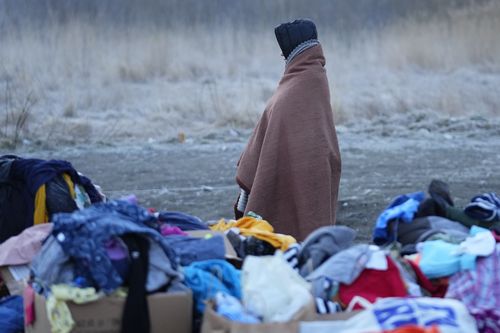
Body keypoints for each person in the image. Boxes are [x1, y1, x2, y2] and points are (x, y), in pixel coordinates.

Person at [234, 19, 341, 241]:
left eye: (284, 54)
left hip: (305, 169)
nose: (283, 59)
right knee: (309, 230)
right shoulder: (311, 77)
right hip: (315, 170)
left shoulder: (300, 84)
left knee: (289, 232)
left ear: (292, 52)